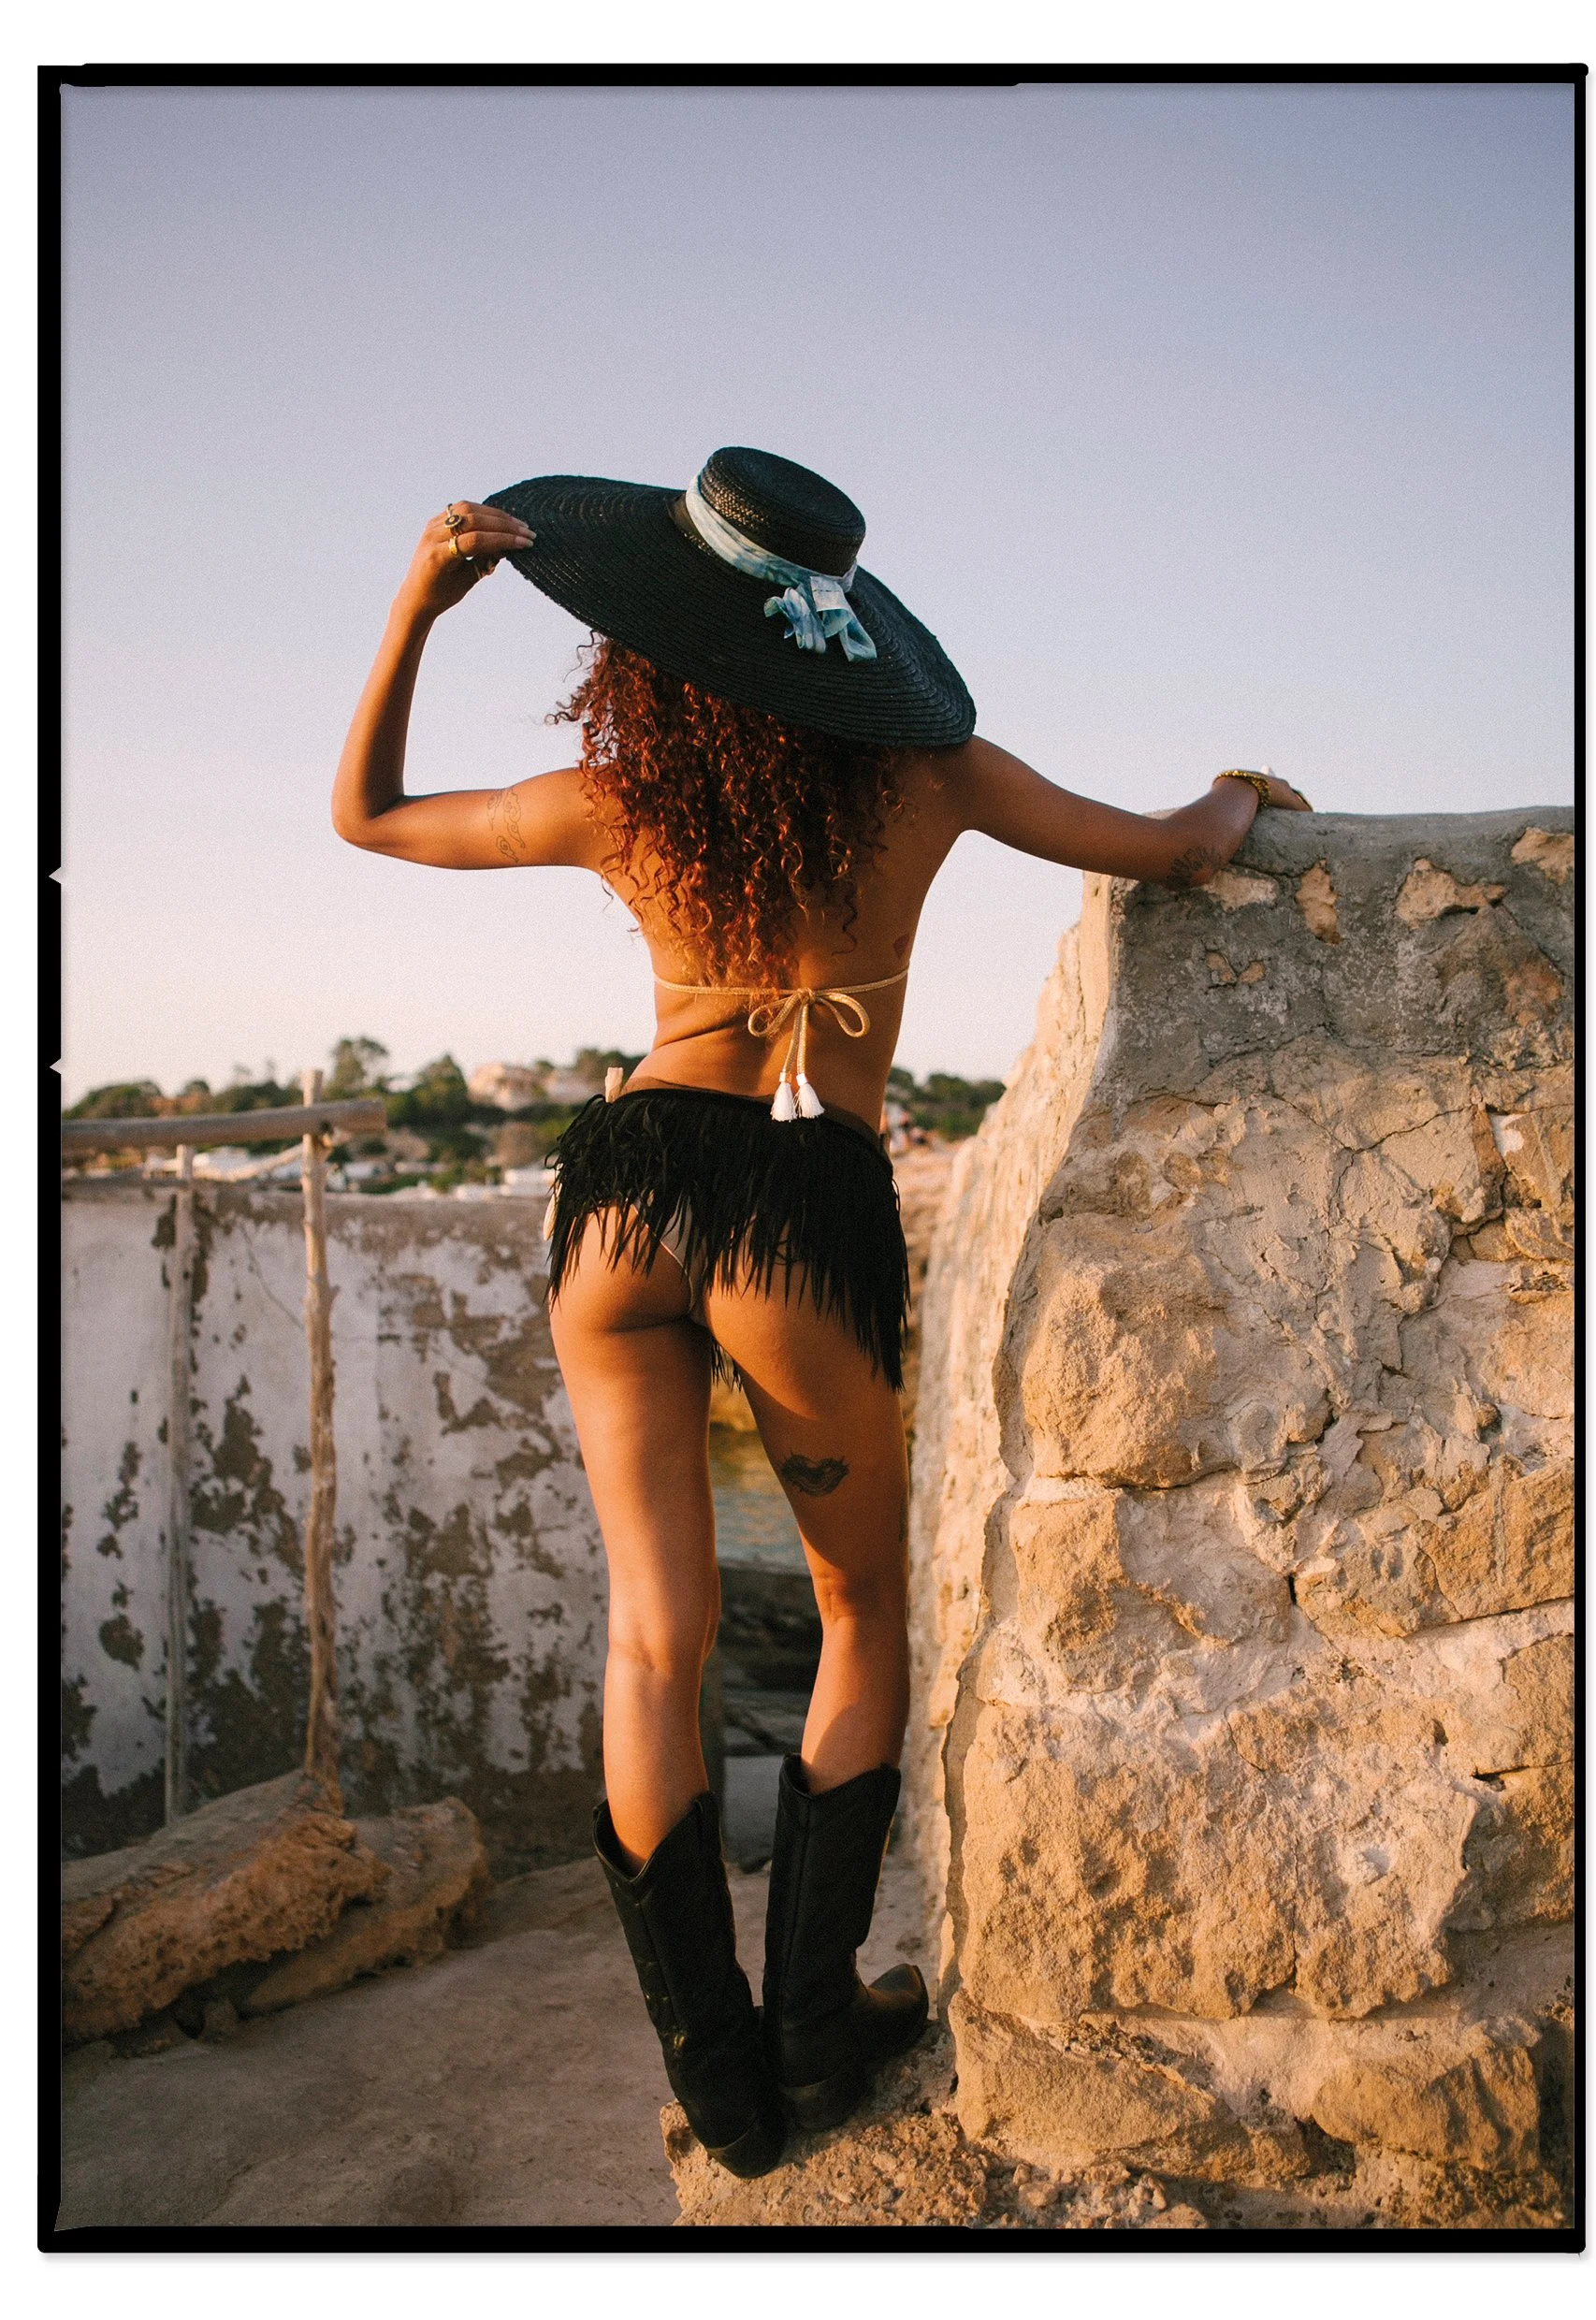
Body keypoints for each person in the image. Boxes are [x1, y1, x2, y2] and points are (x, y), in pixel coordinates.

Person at [332, 446, 1312, 2180]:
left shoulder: (618, 796)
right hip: (801, 1201)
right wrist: (1243, 787)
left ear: (657, 642)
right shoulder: (929, 775)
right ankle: (811, 2027)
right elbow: (1172, 847)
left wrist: (414, 610)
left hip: (629, 1184)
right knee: (857, 1609)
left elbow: (373, 818)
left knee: (655, 1638)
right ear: (838, 637)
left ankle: (719, 2081)